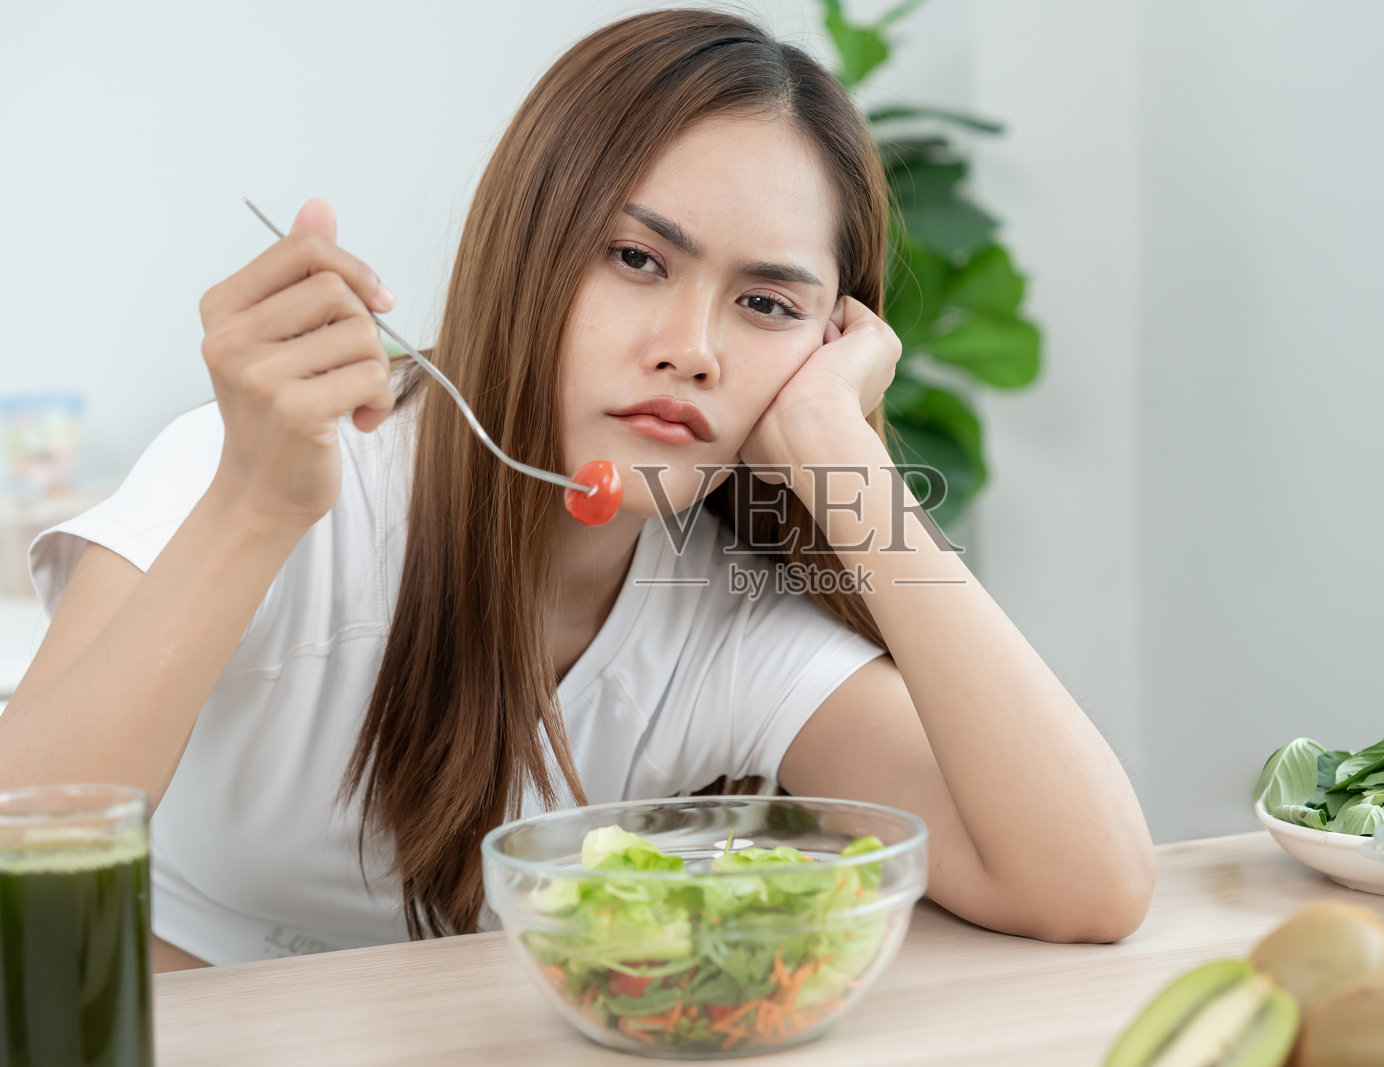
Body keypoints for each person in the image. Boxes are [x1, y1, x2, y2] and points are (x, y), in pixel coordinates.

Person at [4, 9, 1154, 969]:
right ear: (528, 247)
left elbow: (1086, 880)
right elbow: (20, 847)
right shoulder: (255, 468)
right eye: (637, 258)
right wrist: (253, 508)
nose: (690, 346)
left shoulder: (726, 615)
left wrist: (843, 458)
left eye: (767, 304)